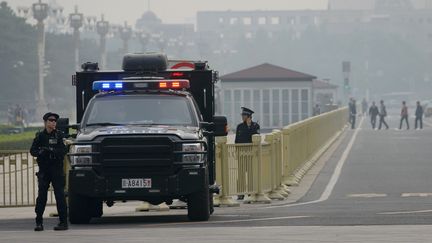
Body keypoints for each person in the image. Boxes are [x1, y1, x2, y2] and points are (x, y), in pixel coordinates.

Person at [30, 112, 68, 231]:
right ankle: (39, 222)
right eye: (51, 120)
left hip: (56, 169)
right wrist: (41, 152)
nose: (53, 122)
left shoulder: (59, 136)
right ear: (45, 122)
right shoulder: (40, 136)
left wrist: (51, 150)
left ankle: (63, 222)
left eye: (54, 121)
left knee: (60, 196)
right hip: (44, 170)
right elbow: (32, 150)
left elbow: (63, 150)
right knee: (41, 197)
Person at [235, 107, 260, 200]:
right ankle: (240, 193)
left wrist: (249, 126)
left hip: (251, 154)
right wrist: (236, 153)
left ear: (249, 116)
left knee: (250, 173)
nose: (242, 117)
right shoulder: (239, 127)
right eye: (242, 115)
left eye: (244, 115)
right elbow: (237, 141)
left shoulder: (255, 126)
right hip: (241, 154)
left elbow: (255, 138)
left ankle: (250, 192)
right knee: (241, 174)